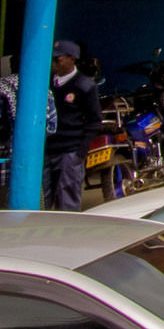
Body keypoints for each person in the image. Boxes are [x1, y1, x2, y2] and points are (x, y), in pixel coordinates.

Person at [45, 40, 102, 211]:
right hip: (47, 150)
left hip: (70, 151)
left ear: (72, 59)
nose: (54, 63)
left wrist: (80, 152)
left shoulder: (84, 86)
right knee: (42, 197)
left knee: (67, 200)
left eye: (58, 59)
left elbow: (94, 120)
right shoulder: (46, 83)